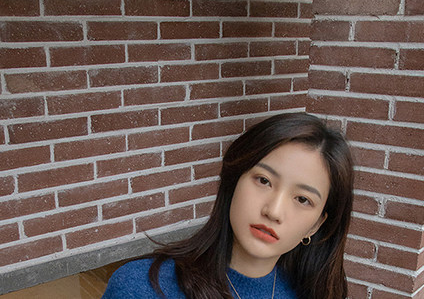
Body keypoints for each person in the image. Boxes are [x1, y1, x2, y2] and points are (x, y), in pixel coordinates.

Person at [103, 110, 353, 299]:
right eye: (264, 180)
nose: (274, 211)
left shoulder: (313, 293)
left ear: (316, 225)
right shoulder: (142, 287)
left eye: (302, 199)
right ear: (234, 181)